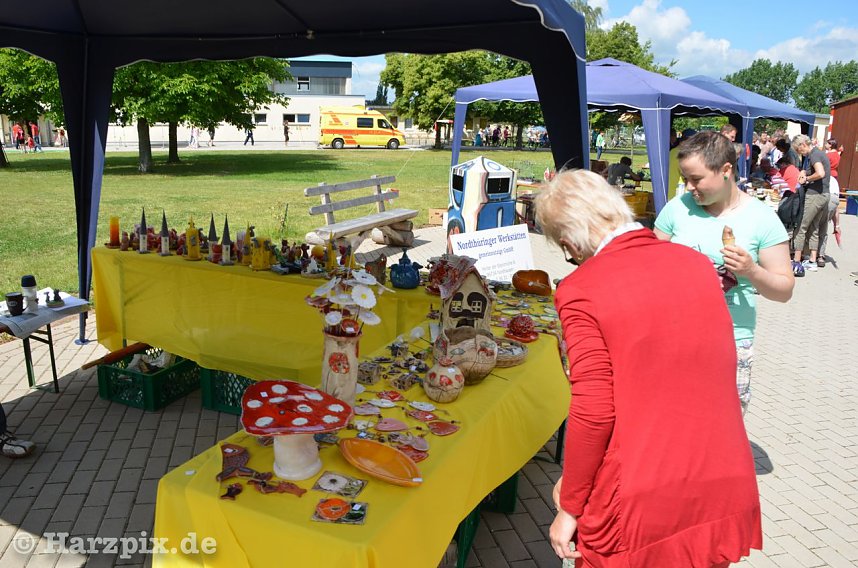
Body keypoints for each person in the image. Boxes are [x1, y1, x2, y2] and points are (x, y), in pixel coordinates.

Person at [536, 169, 762, 568]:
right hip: (721, 475)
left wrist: (570, 505)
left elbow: (594, 410)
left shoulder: (581, 289)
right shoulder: (695, 263)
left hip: (643, 493)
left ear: (570, 243)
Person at [655, 131, 794, 416]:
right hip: (674, 336)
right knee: (671, 420)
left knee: (723, 423)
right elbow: (649, 267)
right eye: (685, 178)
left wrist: (751, 270)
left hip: (730, 342)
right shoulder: (677, 208)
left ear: (726, 170)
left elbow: (783, 290)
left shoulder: (762, 219)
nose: (689, 187)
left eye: (696, 179)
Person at [791, 134, 830, 272]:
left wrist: (806, 179)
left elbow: (820, 173)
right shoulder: (818, 153)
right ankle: (812, 260)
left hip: (815, 195)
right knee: (814, 228)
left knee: (801, 227)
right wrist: (804, 171)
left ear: (803, 145)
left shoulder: (814, 155)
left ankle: (796, 260)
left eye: (798, 149)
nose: (799, 152)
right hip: (824, 194)